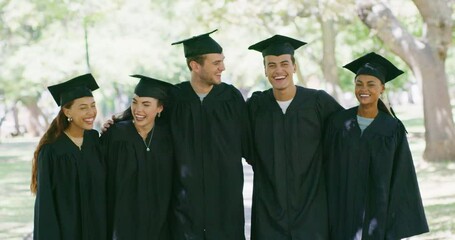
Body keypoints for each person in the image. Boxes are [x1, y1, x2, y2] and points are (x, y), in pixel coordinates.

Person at [247, 35, 343, 239]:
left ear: (294, 67)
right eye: (271, 65)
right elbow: (242, 143)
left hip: (312, 209)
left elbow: (347, 135)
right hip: (269, 212)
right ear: (265, 70)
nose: (278, 70)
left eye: (284, 63)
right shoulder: (256, 106)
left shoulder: (318, 102)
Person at [324, 52, 429, 239]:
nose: (364, 89)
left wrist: (394, 225)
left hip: (378, 217)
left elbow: (402, 177)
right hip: (341, 215)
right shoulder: (338, 123)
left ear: (382, 88)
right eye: (359, 83)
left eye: (371, 84)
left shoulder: (392, 128)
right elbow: (325, 168)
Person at [169, 29, 251, 239]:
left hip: (226, 199)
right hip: (185, 203)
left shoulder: (231, 97)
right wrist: (117, 119)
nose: (222, 67)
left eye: (222, 61)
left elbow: (248, 142)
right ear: (195, 66)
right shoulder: (175, 98)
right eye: (216, 63)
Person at [31, 73, 105, 239]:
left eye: (93, 105)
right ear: (66, 111)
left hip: (98, 231)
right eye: (83, 107)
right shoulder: (51, 151)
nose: (91, 112)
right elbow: (46, 205)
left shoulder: (96, 142)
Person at [101, 75, 175, 239]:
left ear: (160, 108)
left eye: (146, 104)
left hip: (160, 226)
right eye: (135, 102)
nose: (138, 109)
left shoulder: (168, 137)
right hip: (122, 225)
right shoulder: (116, 135)